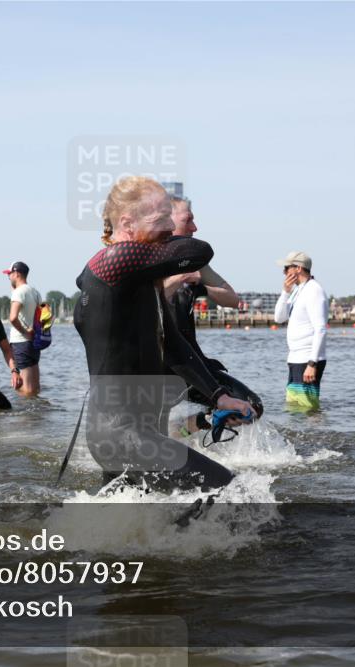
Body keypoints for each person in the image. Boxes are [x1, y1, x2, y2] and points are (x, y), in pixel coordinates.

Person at [74, 176, 254, 493]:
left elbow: (174, 347)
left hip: (139, 434)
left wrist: (218, 395)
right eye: (161, 219)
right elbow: (198, 251)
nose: (170, 227)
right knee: (234, 495)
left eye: (171, 217)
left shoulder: (138, 282)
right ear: (127, 222)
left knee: (134, 530)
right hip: (123, 435)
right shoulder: (115, 260)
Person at [161, 196, 263, 431]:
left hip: (192, 362)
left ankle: (185, 429)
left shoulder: (194, 260)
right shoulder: (147, 259)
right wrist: (181, 278)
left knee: (251, 407)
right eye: (188, 220)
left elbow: (233, 299)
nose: (195, 227)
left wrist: (203, 287)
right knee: (149, 439)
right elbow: (146, 301)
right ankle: (166, 438)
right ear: (166, 220)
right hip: (157, 365)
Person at [273, 252, 329, 411]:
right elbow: (279, 318)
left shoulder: (314, 290)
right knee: (294, 407)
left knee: (306, 409)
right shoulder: (298, 290)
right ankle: (301, 436)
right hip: (295, 358)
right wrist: (285, 292)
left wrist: (313, 363)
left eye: (286, 268)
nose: (284, 273)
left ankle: (315, 435)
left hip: (307, 359)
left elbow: (320, 329)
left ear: (298, 268)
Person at [3, 261, 42, 396]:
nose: (8, 277)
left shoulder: (19, 293)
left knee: (25, 387)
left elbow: (13, 318)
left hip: (21, 342)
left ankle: (26, 416)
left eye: (10, 274)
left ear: (17, 274)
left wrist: (24, 332)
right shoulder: (35, 292)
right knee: (35, 385)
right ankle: (38, 415)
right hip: (34, 343)